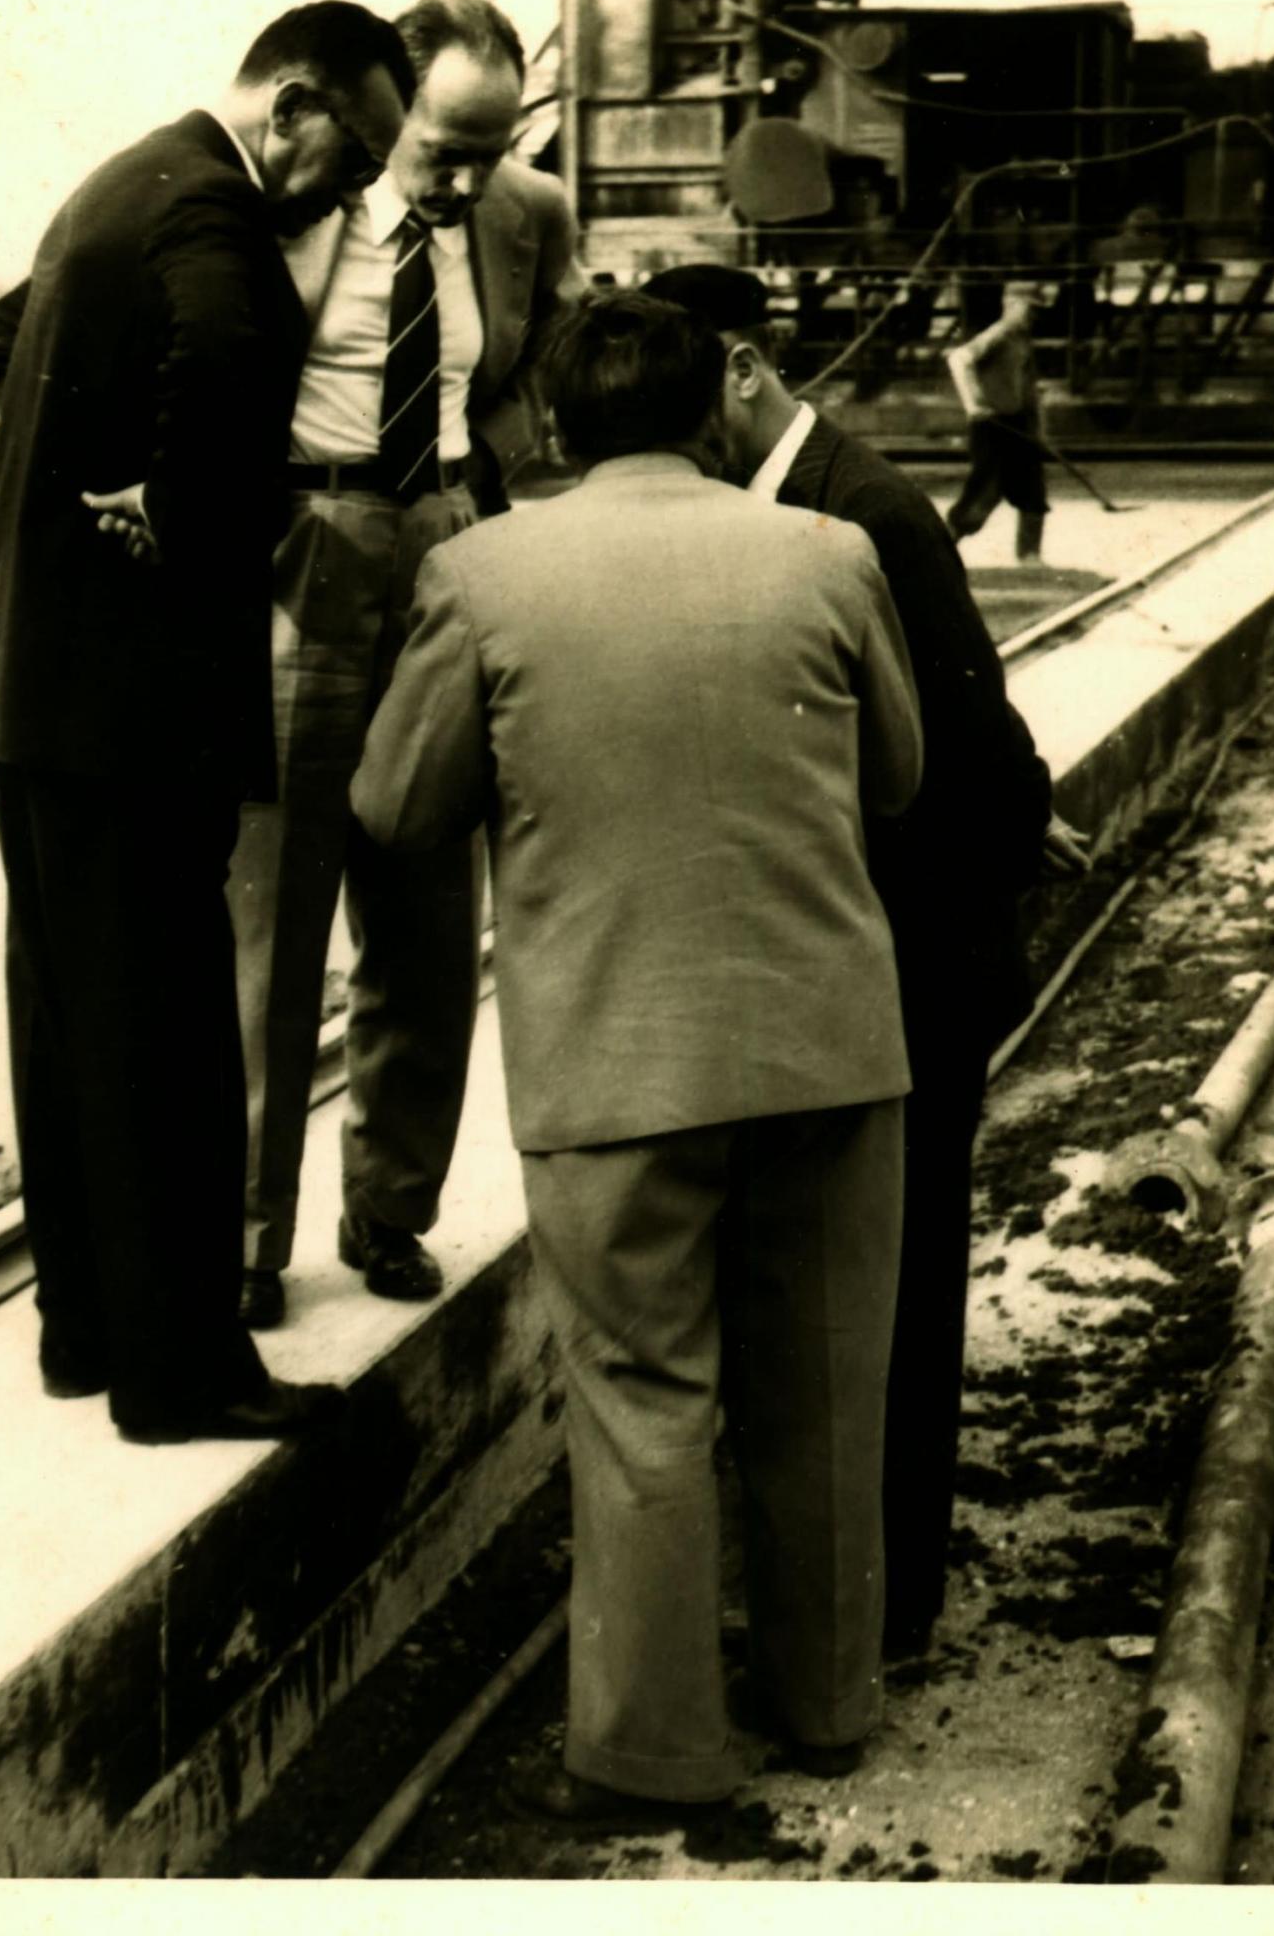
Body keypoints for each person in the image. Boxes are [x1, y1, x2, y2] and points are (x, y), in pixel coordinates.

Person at [351, 292, 923, 1826]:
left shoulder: (479, 574)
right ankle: (825, 1709)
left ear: (548, 424)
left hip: (610, 1063)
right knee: (823, 1396)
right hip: (826, 1048)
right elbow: (898, 773)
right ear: (704, 414)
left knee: (641, 1403)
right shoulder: (829, 553)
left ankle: (655, 1753)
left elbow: (395, 809)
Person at [0, 3, 414, 1443]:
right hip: (135, 720)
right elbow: (227, 357)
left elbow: (16, 338)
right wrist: (179, 507)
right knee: (169, 1040)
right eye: (356, 157)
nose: (355, 193)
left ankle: (86, 1334)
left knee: (68, 1022)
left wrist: (126, 480)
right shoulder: (215, 218)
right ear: (290, 106)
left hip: (35, 697)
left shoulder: (120, 183)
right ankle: (186, 1377)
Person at [642, 263, 1089, 1653]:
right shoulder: (785, 502)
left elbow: (965, 730)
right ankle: (838, 1585)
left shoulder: (868, 510)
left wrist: (1018, 815)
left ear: (740, 369)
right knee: (847, 1287)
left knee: (896, 1287)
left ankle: (890, 1603)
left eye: (676, 401)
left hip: (910, 965)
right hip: (841, 962)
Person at [230, 0, 585, 1330]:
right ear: (387, 112)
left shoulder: (525, 214)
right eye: (443, 149)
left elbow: (541, 370)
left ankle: (390, 1210)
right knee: (272, 920)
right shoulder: (283, 201)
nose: (466, 180)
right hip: (307, 548)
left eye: (494, 151)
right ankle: (245, 1236)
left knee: (432, 916)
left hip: (444, 551)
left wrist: (499, 501)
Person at [944, 280, 1050, 562]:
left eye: (1037, 311)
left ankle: (1030, 557)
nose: (1033, 316)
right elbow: (958, 359)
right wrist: (972, 404)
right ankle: (940, 548)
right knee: (985, 492)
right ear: (1012, 305)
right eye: (1029, 309)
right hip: (991, 425)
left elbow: (1028, 390)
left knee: (1033, 490)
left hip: (1018, 424)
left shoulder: (1023, 341)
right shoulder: (998, 334)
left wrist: (1039, 431)